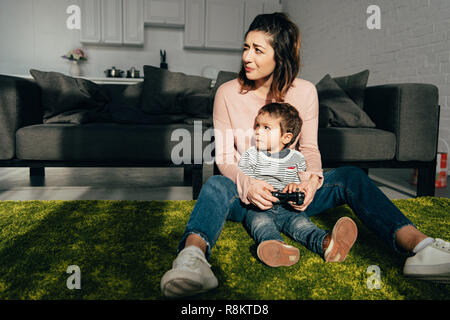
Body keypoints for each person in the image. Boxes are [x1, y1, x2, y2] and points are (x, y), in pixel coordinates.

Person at [160, 12, 450, 298]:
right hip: (246, 198)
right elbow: (224, 156)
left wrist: (310, 181)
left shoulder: (305, 92)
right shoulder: (227, 93)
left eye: (258, 50)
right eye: (246, 47)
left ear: (281, 55)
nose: (247, 57)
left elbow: (309, 149)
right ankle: (192, 259)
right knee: (215, 185)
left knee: (350, 176)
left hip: (291, 193)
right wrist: (248, 185)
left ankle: (419, 247)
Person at [239, 102, 357, 267]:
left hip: (288, 208)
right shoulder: (251, 155)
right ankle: (276, 248)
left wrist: (295, 187)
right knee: (261, 225)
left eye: (266, 128)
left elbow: (299, 180)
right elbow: (244, 179)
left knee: (303, 225)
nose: (258, 131)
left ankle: (327, 243)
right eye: (257, 126)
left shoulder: (296, 158)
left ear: (286, 137)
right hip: (261, 207)